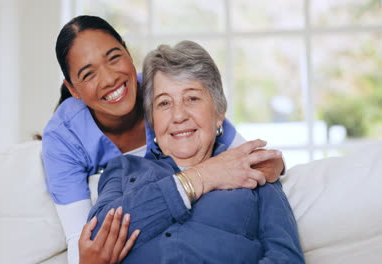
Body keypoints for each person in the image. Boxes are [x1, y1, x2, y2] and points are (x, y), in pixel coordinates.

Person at [42, 15, 285, 263]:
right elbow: (86, 240)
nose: (109, 79)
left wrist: (273, 166)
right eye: (88, 73)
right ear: (73, 89)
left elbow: (245, 156)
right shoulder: (72, 142)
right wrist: (201, 177)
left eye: (113, 57)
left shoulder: (162, 86)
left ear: (128, 52)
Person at [87, 40, 304, 263]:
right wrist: (201, 178)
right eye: (164, 103)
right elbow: (96, 241)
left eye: (192, 98)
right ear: (152, 120)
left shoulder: (252, 170)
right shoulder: (122, 169)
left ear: (219, 112)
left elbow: (286, 258)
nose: (179, 115)